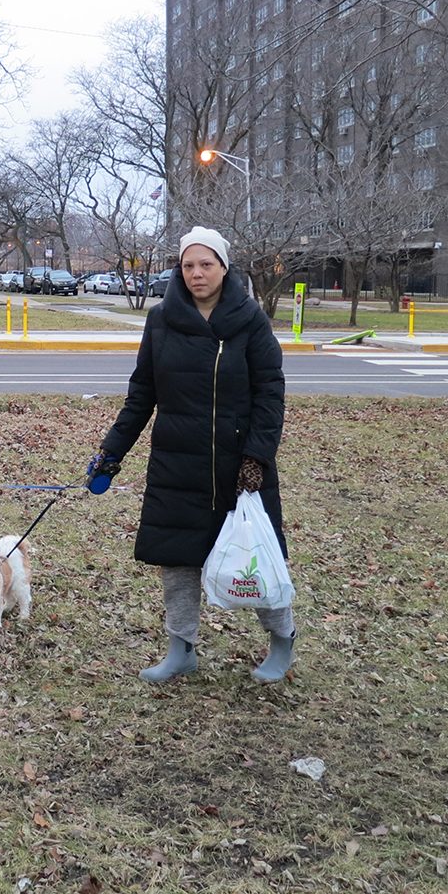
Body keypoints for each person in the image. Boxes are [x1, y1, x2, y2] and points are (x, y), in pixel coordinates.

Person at [91, 226, 295, 684]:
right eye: (188, 265)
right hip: (176, 462)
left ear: (224, 267)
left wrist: (256, 457)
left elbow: (270, 394)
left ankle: (282, 639)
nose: (197, 273)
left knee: (256, 556)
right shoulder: (162, 319)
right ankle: (181, 649)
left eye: (206, 264)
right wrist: (110, 452)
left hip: (238, 467)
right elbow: (142, 393)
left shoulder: (249, 319)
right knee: (178, 559)